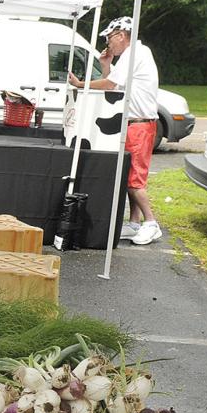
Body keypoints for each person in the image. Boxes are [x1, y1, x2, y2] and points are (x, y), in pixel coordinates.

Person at [69, 16, 162, 245]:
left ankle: (151, 223)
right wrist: (105, 65)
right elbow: (113, 86)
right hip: (135, 123)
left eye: (109, 38)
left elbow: (109, 85)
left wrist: (81, 84)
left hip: (139, 124)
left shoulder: (133, 54)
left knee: (134, 180)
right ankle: (134, 223)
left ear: (121, 35)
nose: (108, 43)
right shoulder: (136, 53)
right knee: (130, 176)